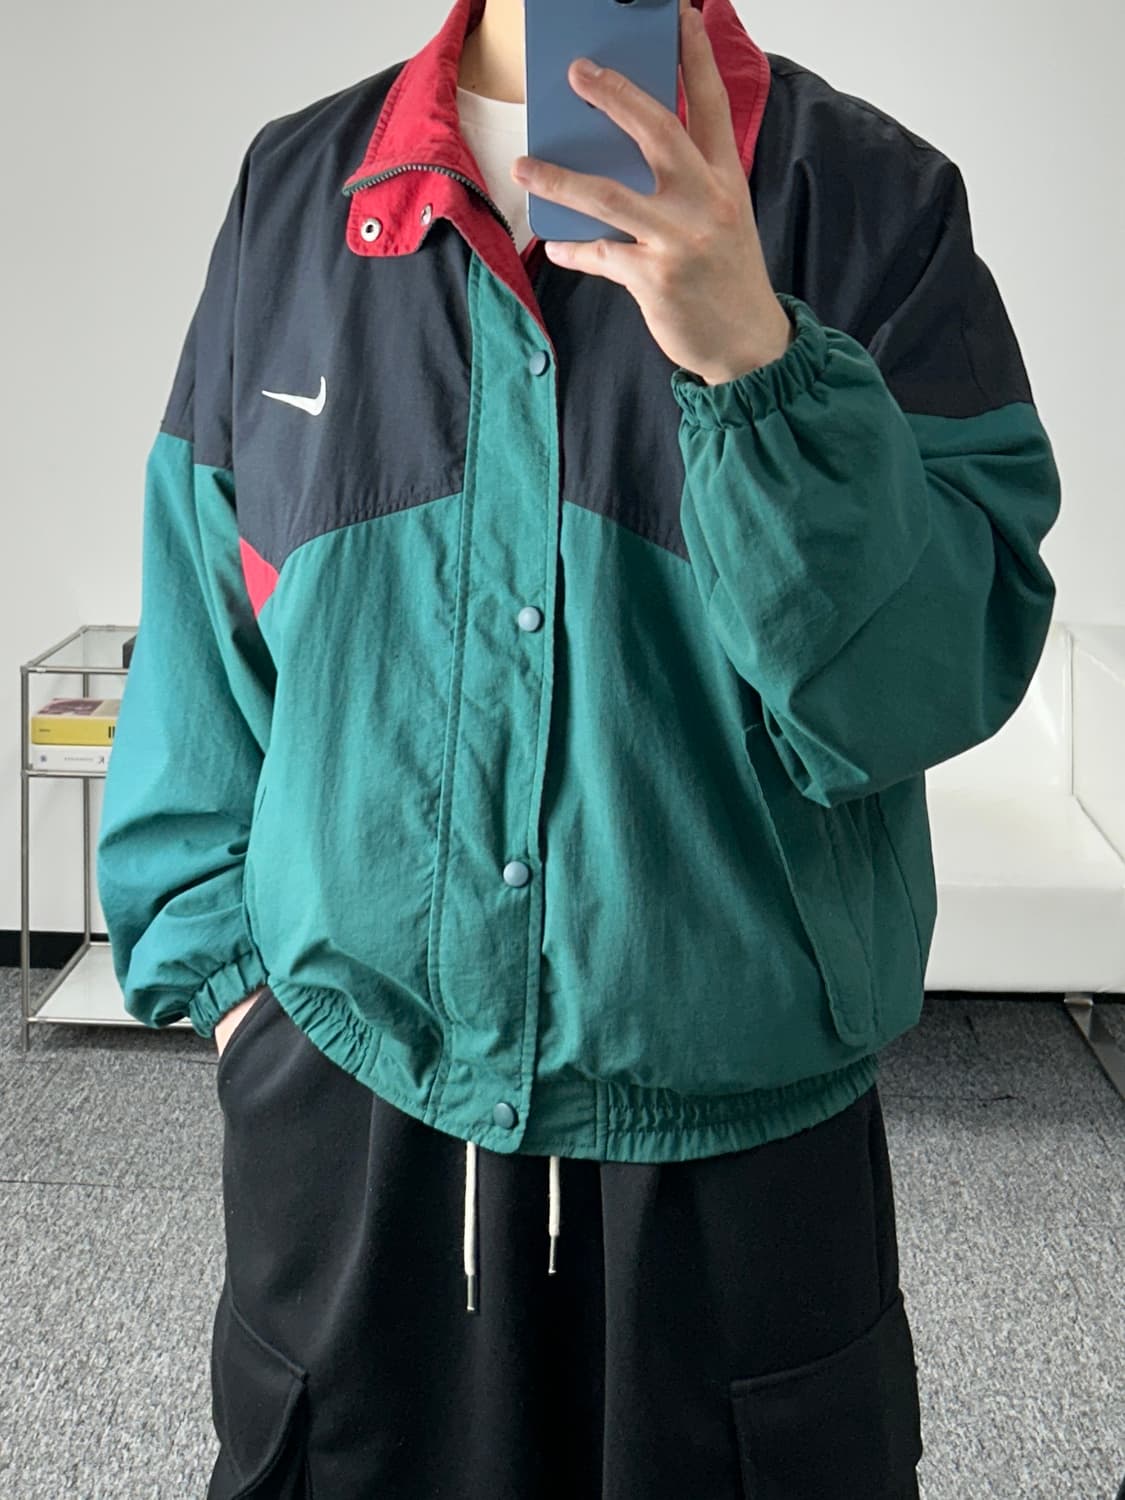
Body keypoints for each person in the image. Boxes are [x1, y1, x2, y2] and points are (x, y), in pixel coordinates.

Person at [95, 0, 1062, 1495]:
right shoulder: (295, 187)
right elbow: (201, 616)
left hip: (737, 1165)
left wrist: (754, 365)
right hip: (351, 1123)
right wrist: (236, 998)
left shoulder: (875, 201)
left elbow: (921, 686)